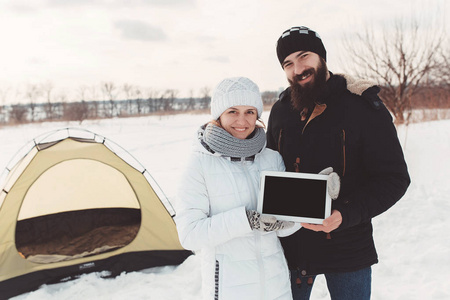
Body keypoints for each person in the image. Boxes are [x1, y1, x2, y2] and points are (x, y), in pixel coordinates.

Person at [266, 26, 411, 300]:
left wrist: (344, 214)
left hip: (348, 249)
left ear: (321, 56)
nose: (298, 68)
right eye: (288, 63)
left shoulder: (362, 107)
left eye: (304, 56)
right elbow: (268, 168)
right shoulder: (281, 110)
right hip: (291, 251)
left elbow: (394, 179)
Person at [174, 77, 298, 300]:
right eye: (233, 111)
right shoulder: (199, 164)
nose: (242, 120)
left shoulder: (271, 159)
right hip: (230, 289)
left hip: (276, 286)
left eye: (250, 111)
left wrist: (314, 198)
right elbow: (190, 234)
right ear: (219, 114)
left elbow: (283, 228)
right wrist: (246, 220)